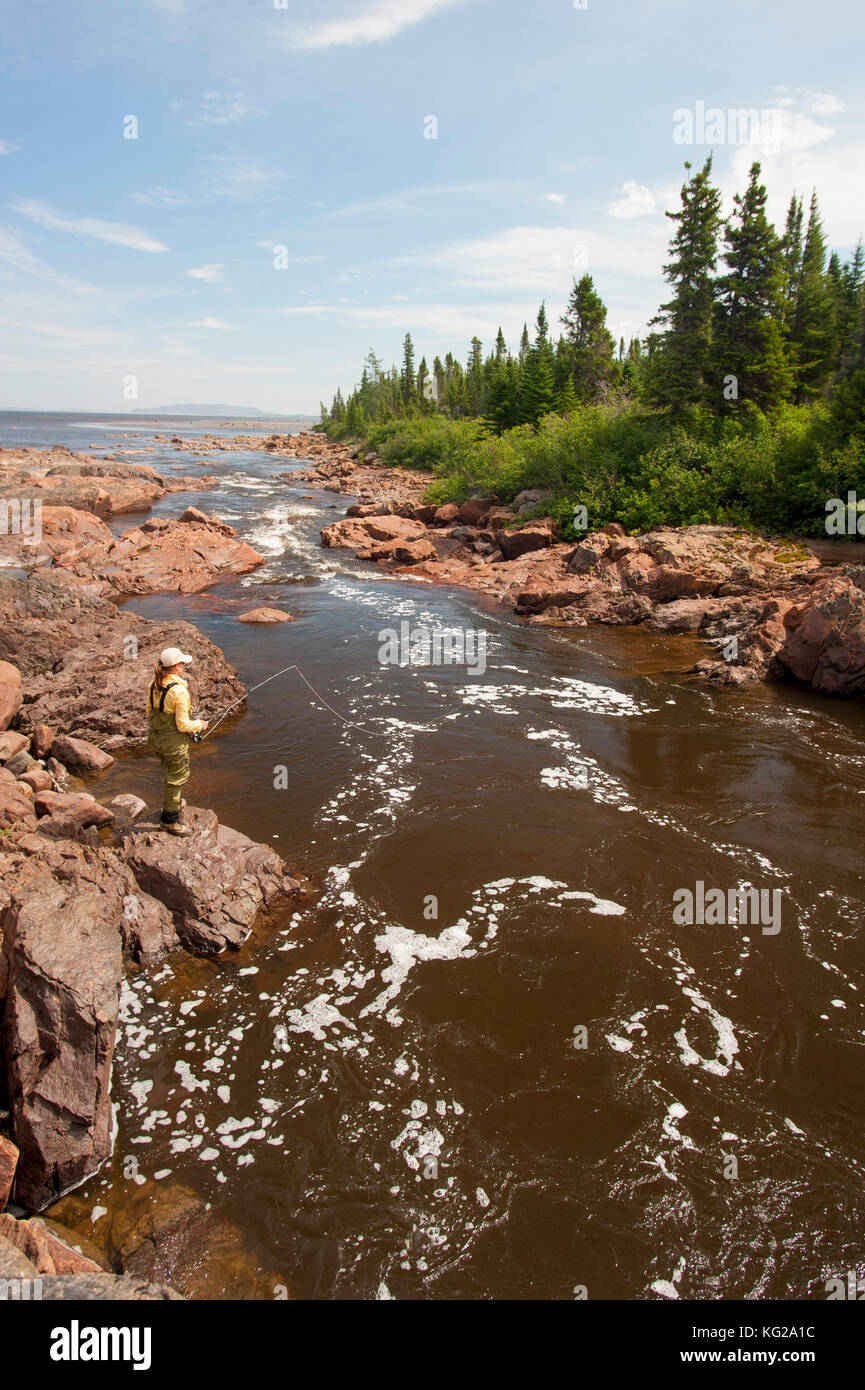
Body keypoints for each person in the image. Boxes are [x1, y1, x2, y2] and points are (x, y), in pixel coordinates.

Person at [146, 646, 207, 837]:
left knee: (170, 771)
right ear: (176, 666)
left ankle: (175, 801)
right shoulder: (179, 691)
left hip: (156, 739)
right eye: (182, 663)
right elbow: (182, 725)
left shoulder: (153, 685)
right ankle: (170, 820)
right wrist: (200, 725)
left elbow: (151, 712)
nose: (183, 666)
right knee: (177, 777)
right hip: (173, 743)